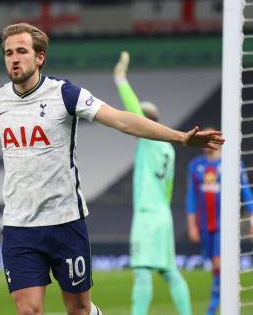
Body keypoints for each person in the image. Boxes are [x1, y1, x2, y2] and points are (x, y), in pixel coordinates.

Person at [0, 23, 223, 315]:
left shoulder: (65, 94)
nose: (14, 58)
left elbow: (122, 119)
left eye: (22, 51)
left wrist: (180, 137)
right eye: (9, 53)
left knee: (79, 310)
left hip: (65, 222)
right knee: (28, 310)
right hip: (19, 226)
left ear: (39, 57)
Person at [113, 51, 192, 315]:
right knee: (170, 271)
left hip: (148, 217)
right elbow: (168, 189)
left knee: (142, 272)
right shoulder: (168, 149)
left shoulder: (150, 141)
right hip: (163, 214)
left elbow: (134, 111)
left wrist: (120, 79)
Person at [185, 135, 253, 315]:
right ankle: (221, 300)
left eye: (208, 139)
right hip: (205, 224)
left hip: (224, 224)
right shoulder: (195, 166)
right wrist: (192, 225)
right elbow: (192, 197)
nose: (205, 143)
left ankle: (212, 308)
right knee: (215, 265)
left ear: (217, 142)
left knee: (219, 262)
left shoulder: (232, 164)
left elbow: (246, 192)